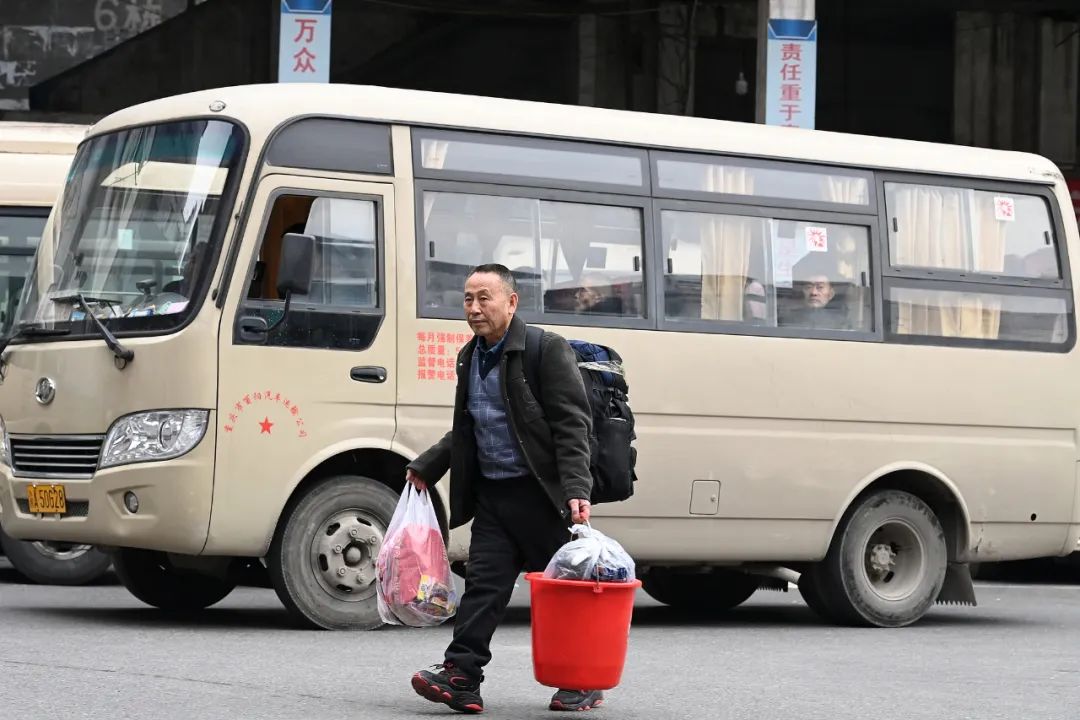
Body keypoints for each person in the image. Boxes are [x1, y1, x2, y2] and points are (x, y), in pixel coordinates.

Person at [406, 262, 603, 714]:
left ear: (511, 302)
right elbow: (470, 426)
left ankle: (584, 680)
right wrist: (429, 465)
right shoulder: (470, 356)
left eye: (484, 298)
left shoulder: (544, 349)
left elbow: (573, 424)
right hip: (494, 496)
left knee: (563, 594)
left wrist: (576, 487)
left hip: (541, 496)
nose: (474, 308)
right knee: (483, 587)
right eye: (467, 299)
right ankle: (461, 676)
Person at [780, 252, 850, 331]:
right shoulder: (788, 321)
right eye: (808, 287)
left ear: (831, 293)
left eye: (820, 287)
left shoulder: (841, 325)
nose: (813, 293)